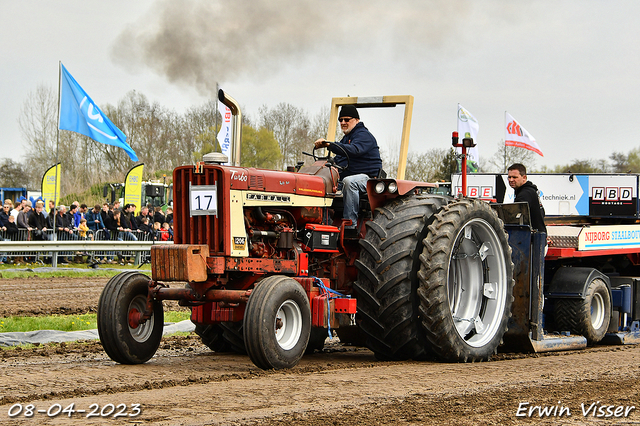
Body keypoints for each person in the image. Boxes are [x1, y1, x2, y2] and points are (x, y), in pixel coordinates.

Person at [314, 105, 382, 233]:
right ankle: (324, 223)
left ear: (356, 120)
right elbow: (340, 159)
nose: (343, 123)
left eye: (346, 119)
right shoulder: (347, 138)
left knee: (350, 182)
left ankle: (350, 225)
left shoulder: (363, 135)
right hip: (347, 177)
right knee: (322, 183)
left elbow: (354, 151)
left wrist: (330, 144)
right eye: (340, 120)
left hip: (367, 179)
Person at [507, 163, 547, 234]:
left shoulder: (525, 194)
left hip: (532, 239)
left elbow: (513, 217)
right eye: (509, 177)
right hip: (537, 235)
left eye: (514, 177)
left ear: (524, 177)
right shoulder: (530, 190)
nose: (511, 180)